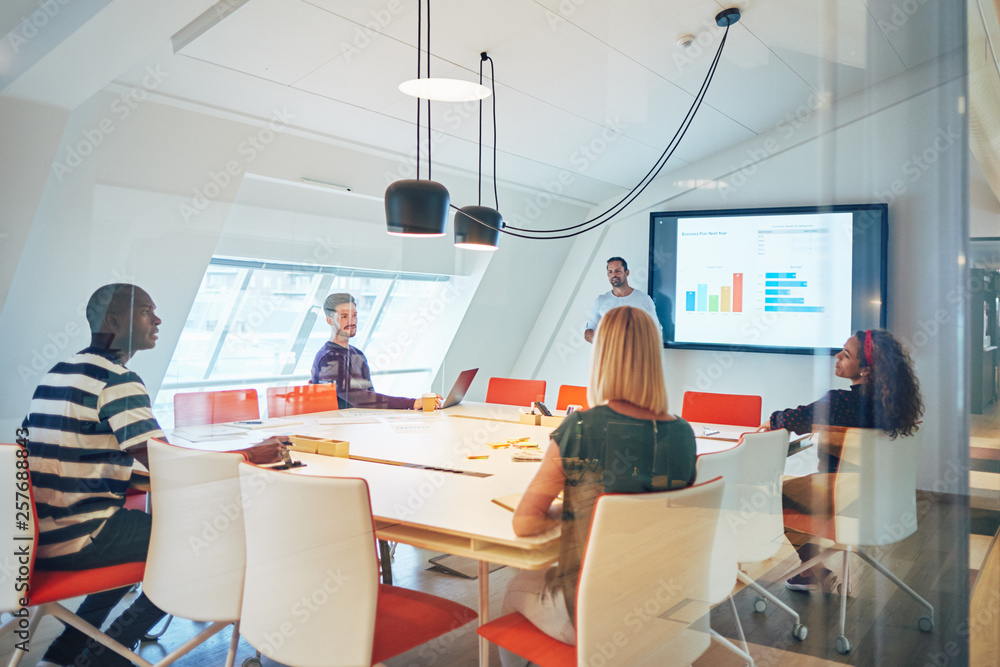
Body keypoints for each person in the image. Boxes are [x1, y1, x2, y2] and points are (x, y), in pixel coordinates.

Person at [24, 284, 284, 667]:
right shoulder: (116, 379)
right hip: (82, 536)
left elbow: (72, 454)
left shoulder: (57, 373)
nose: (157, 319)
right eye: (147, 311)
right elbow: (170, 464)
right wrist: (251, 454)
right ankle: (104, 656)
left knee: (149, 535)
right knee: (198, 546)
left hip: (39, 537)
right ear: (113, 321)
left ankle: (67, 653)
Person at [499, 307, 697, 663]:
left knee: (514, 586)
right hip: (664, 604)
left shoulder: (580, 428)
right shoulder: (682, 433)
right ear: (654, 359)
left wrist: (572, 511)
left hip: (593, 615)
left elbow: (524, 522)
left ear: (602, 357)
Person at [762, 329, 923, 593]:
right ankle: (813, 570)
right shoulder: (897, 408)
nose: (837, 356)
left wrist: (773, 419)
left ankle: (812, 569)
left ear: (865, 371)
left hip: (842, 498)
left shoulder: (839, 403)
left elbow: (792, 418)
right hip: (886, 501)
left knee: (773, 495)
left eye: (846, 355)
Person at [310, 292, 441, 410]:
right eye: (344, 316)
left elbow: (370, 397)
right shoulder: (327, 358)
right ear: (329, 320)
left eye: (354, 315)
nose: (352, 321)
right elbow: (359, 398)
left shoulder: (358, 354)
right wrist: (412, 403)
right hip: (337, 431)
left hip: (359, 424)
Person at [584, 256, 659, 343]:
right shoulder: (600, 301)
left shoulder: (644, 299)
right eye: (610, 272)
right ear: (608, 275)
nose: (614, 275)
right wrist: (608, 344)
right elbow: (589, 332)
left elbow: (657, 331)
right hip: (610, 355)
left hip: (636, 354)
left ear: (626, 273)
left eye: (617, 271)